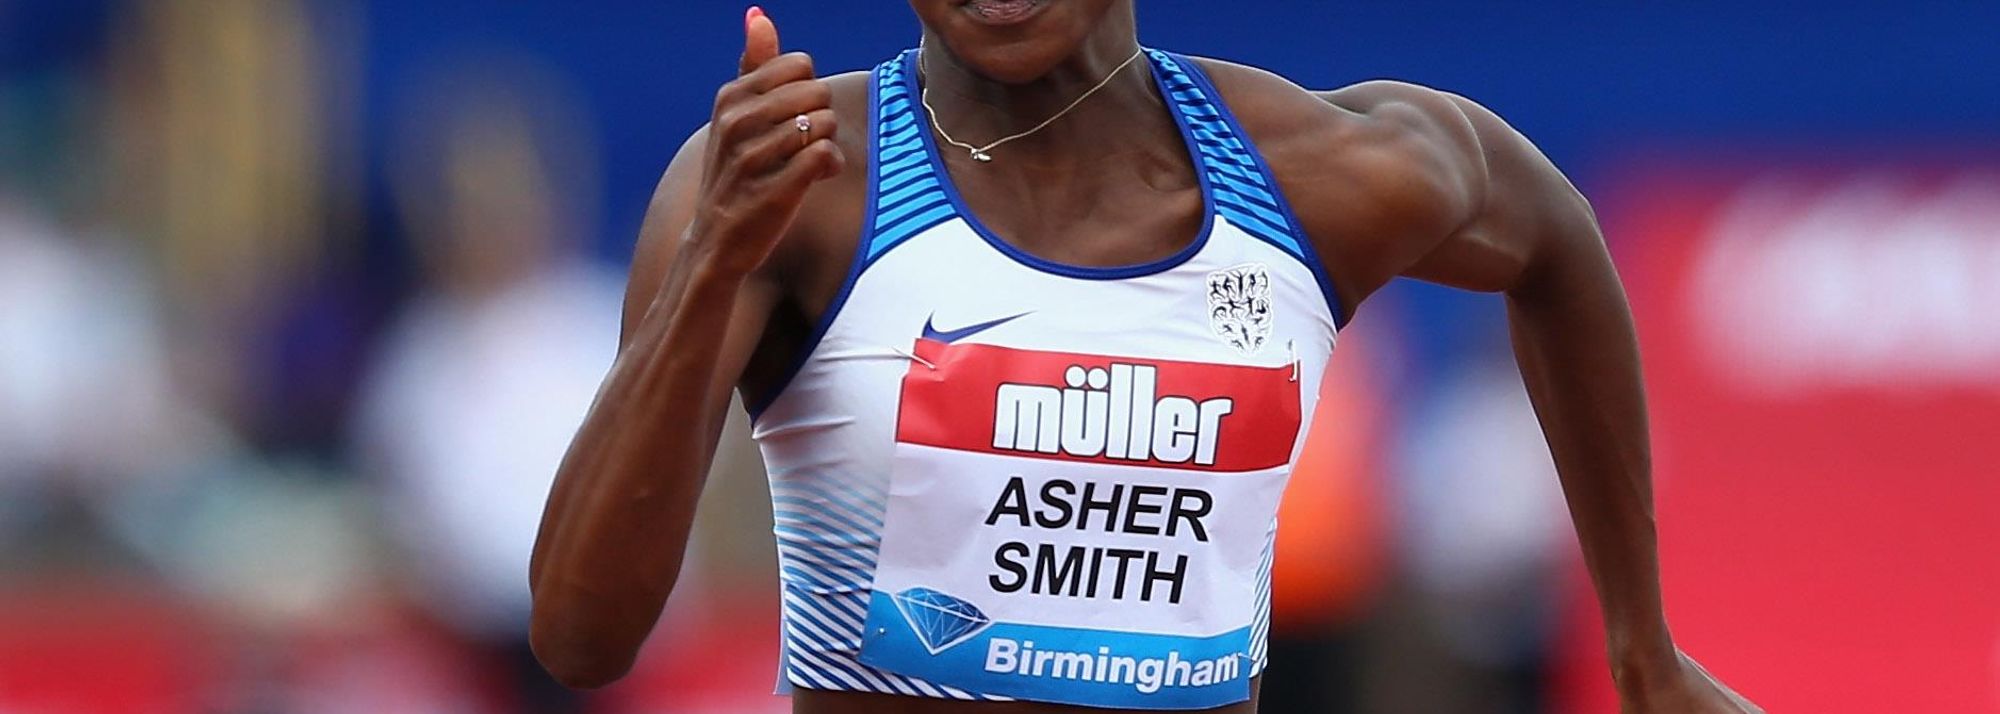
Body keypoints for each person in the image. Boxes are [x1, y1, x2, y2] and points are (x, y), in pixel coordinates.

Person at [528, 2, 1762, 712]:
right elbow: (582, 641)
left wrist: (1639, 645)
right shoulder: (796, 179)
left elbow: (1555, 246)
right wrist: (705, 271)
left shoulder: (1312, 177)